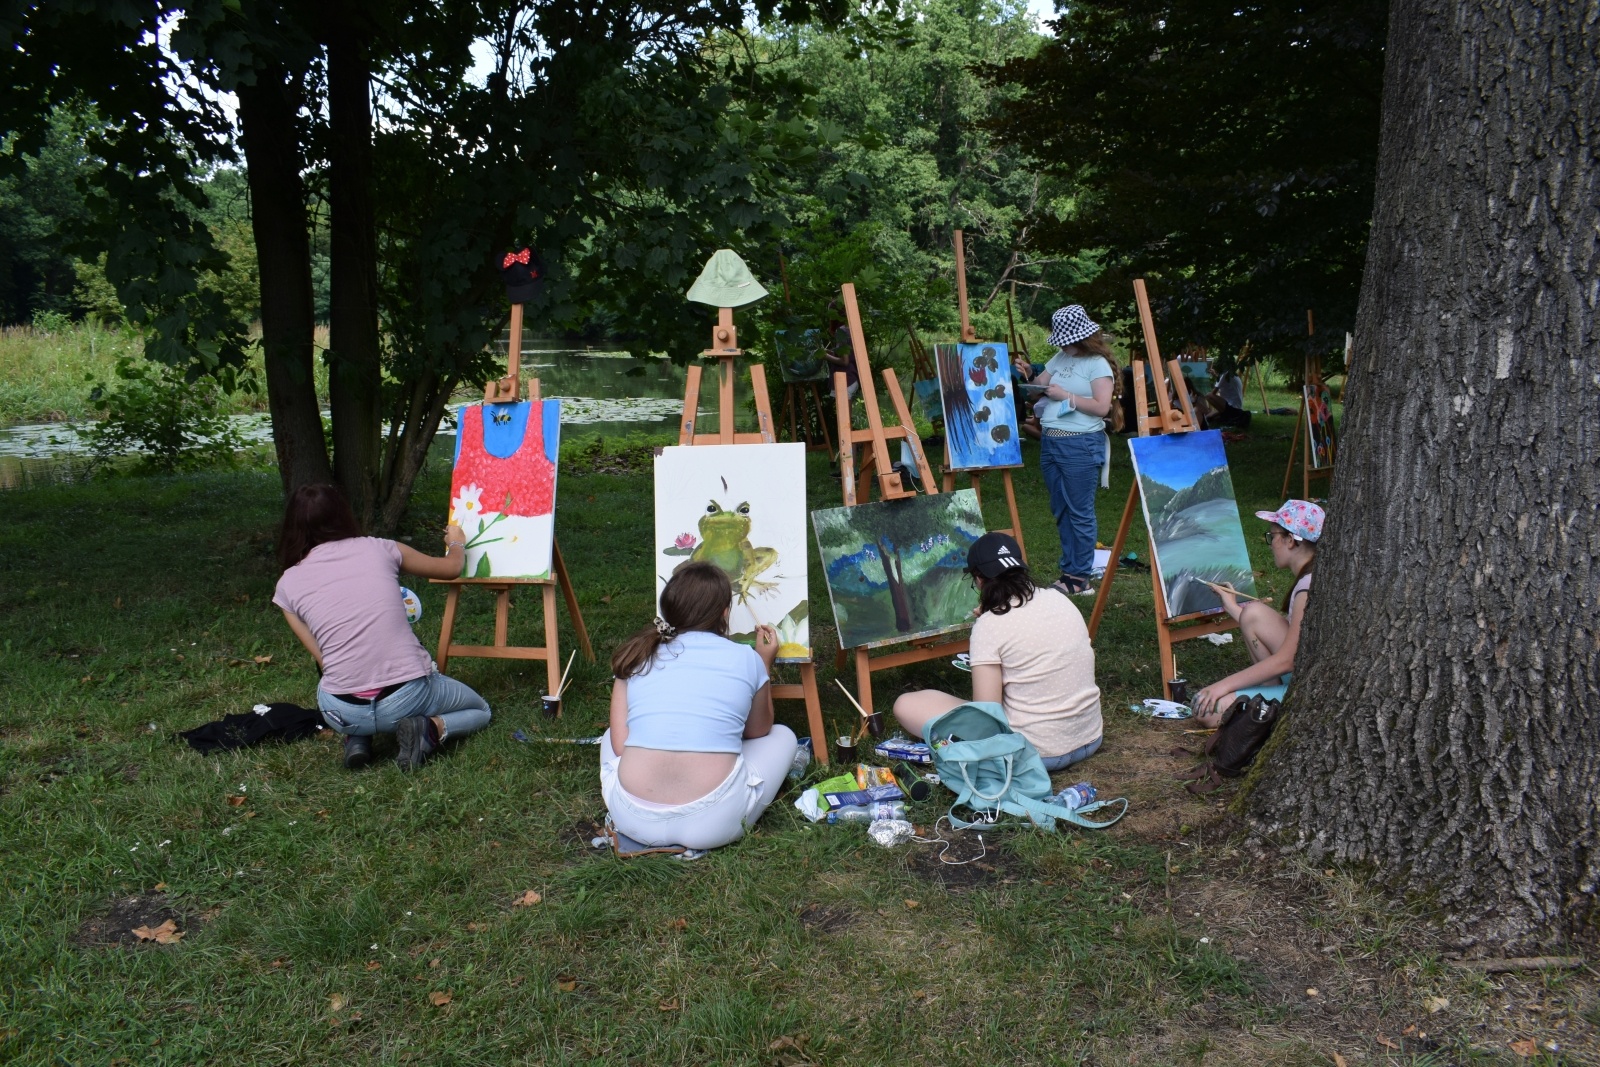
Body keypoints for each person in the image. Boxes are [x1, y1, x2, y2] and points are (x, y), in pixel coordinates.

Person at [273, 484, 492, 771]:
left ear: (293, 525)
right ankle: (431, 729)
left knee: (344, 677)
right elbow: (450, 568)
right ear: (343, 514)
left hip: (340, 709)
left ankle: (358, 737)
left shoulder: (287, 584)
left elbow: (324, 661)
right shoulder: (381, 548)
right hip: (406, 698)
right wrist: (457, 543)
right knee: (480, 710)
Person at [601, 562, 796, 850]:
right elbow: (758, 730)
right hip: (715, 822)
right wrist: (763, 662)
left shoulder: (636, 657)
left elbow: (620, 746)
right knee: (783, 736)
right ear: (724, 612)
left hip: (633, 818)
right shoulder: (746, 657)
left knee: (610, 734)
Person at [893, 533, 1102, 771]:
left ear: (979, 579)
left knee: (906, 704)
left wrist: (986, 626)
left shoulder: (991, 625)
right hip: (1090, 738)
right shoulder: (1060, 600)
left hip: (1035, 752)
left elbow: (987, 713)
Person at [1012, 305, 1117, 596]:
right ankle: (1069, 570)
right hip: (1052, 442)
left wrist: (1065, 395)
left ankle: (1079, 576)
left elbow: (1101, 408)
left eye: (1065, 339)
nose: (1061, 344)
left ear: (1081, 337)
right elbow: (1036, 389)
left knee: (1079, 511)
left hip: (1080, 443)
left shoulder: (1097, 364)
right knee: (1061, 509)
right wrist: (1029, 374)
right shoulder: (1060, 357)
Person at [1191, 500, 1323, 726]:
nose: (1270, 543)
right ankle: (1269, 696)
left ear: (1290, 540)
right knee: (1253, 612)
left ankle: (1272, 707)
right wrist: (1232, 606)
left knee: (1206, 710)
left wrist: (1223, 685)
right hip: (1305, 676)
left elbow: (1287, 661)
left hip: (1305, 689)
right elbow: (1284, 633)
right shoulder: (1312, 578)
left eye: (1272, 536)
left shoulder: (1306, 589)